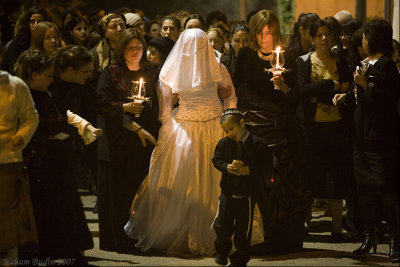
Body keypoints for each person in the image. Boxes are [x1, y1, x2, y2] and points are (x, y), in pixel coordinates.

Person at [124, 28, 237, 255]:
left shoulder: (216, 66)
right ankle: (187, 234)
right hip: (185, 127)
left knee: (211, 180)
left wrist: (229, 120)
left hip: (214, 126)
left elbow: (231, 95)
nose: (197, 50)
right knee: (187, 181)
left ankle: (211, 233)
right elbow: (165, 102)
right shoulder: (177, 68)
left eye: (201, 46)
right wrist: (167, 125)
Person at [233, 9, 310, 253]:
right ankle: (255, 237)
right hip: (253, 127)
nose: (262, 37)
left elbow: (295, 96)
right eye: (258, 33)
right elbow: (237, 87)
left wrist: (284, 87)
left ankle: (280, 238)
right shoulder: (245, 55)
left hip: (277, 128)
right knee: (253, 183)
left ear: (274, 32)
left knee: (278, 184)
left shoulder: (288, 56)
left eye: (267, 33)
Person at [14, 49, 94, 265]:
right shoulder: (25, 97)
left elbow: (60, 116)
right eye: (48, 75)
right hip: (40, 161)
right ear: (33, 75)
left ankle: (68, 251)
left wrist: (77, 127)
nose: (52, 79)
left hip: (57, 159)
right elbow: (32, 126)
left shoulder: (47, 93)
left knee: (62, 206)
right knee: (45, 209)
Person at [333, 19, 399, 263]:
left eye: (365, 36)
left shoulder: (386, 66)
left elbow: (387, 100)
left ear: (375, 39)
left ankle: (394, 239)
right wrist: (346, 96)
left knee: (386, 190)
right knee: (365, 190)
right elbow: (358, 98)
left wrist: (366, 85)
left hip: (380, 137)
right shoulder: (364, 63)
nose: (362, 41)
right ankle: (369, 237)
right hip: (360, 136)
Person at [96, 28, 159, 253]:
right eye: (130, 47)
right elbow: (101, 101)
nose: (135, 51)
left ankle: (141, 237)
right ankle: (119, 241)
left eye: (139, 47)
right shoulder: (112, 72)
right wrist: (125, 106)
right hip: (117, 142)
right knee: (119, 192)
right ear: (121, 49)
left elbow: (159, 101)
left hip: (142, 141)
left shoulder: (151, 71)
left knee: (140, 190)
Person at [297, 19, 354, 240]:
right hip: (312, 128)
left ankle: (337, 228)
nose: (324, 38)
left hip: (337, 127)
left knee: (337, 176)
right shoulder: (304, 61)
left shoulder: (341, 61)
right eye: (319, 34)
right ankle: (305, 225)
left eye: (327, 34)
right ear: (312, 38)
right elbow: (302, 91)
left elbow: (348, 91)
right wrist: (331, 85)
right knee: (310, 175)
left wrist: (317, 93)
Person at [212, 109, 269, 267]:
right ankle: (221, 252)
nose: (229, 133)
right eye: (226, 131)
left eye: (231, 129)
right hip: (227, 193)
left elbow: (266, 164)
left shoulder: (258, 143)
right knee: (222, 225)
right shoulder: (224, 143)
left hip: (247, 195)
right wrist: (226, 166)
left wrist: (251, 169)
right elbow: (216, 159)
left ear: (242, 124)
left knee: (243, 232)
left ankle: (239, 261)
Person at [0, 69, 38, 266]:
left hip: (8, 160)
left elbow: (31, 116)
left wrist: (21, 136)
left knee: (9, 221)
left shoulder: (14, 85)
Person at [4, 5, 53, 73]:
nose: (35, 25)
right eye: (32, 21)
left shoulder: (51, 42)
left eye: (39, 22)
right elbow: (13, 71)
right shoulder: (15, 45)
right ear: (27, 24)